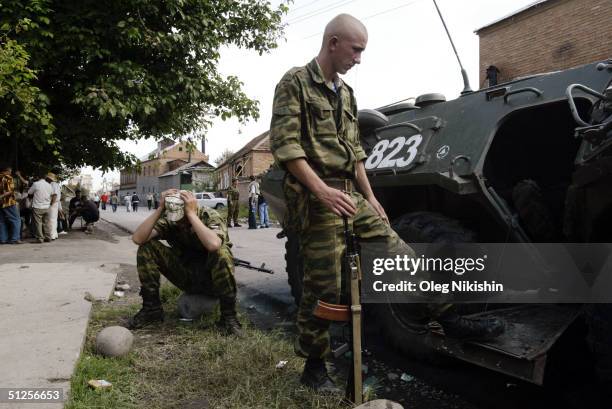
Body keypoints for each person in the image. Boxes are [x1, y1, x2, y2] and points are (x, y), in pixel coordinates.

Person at [269, 14, 505, 392]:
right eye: (355, 49)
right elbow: (286, 147)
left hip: (351, 194)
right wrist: (322, 192)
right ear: (333, 43)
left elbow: (356, 152)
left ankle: (447, 315)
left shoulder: (345, 94)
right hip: (318, 199)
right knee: (324, 290)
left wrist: (372, 198)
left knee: (401, 255)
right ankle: (314, 365)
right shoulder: (295, 82)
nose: (359, 58)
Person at [128, 189, 242, 336]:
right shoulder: (172, 220)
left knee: (221, 252)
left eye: (182, 218)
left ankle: (228, 317)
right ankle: (152, 309)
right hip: (186, 276)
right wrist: (160, 208)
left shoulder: (209, 215)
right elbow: (138, 238)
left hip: (213, 282)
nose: (179, 222)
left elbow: (213, 244)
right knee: (147, 247)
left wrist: (191, 215)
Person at [0, 163, 23, 244]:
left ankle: (3, 239)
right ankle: (15, 239)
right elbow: (10, 191)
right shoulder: (8, 178)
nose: (10, 172)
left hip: (0, 203)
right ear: (7, 170)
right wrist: (2, 196)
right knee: (16, 220)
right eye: (10, 170)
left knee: (2, 221)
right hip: (8, 202)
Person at [27, 173, 53, 243]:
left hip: (37, 207)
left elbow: (29, 193)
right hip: (47, 207)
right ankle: (48, 237)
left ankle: (40, 238)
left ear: (38, 177)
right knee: (46, 223)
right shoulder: (49, 185)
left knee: (38, 223)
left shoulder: (36, 184)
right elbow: (51, 195)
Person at [46, 173, 61, 240]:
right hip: (55, 203)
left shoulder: (52, 184)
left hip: (53, 203)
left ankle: (51, 235)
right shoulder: (56, 184)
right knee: (54, 220)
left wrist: (51, 203)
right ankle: (54, 234)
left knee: (50, 220)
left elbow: (54, 195)